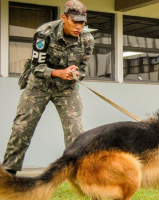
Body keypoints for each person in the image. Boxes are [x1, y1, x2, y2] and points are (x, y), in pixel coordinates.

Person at [2, 0, 94, 175]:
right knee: (22, 128)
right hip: (39, 85)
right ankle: (8, 174)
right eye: (74, 21)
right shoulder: (45, 33)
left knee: (76, 131)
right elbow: (37, 68)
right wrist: (59, 73)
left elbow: (83, 70)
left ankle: (80, 173)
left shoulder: (87, 40)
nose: (78, 27)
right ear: (64, 17)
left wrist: (74, 73)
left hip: (67, 88)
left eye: (82, 23)